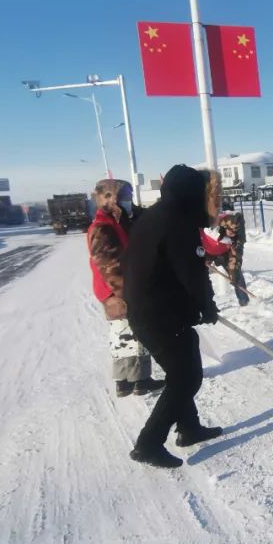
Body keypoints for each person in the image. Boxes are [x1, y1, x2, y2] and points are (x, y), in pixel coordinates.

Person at [122, 165, 223, 468]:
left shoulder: (153, 217)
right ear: (191, 194)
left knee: (185, 362)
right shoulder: (177, 223)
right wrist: (207, 306)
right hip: (159, 315)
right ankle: (148, 443)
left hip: (149, 311)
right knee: (185, 378)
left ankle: (189, 428)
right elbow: (191, 273)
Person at [86, 179, 165, 398]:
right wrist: (128, 294)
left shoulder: (116, 221)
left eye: (130, 198)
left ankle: (124, 382)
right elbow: (109, 266)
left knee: (120, 335)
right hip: (119, 290)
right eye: (125, 198)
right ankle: (140, 381)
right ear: (110, 199)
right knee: (134, 335)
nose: (129, 202)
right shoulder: (103, 227)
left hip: (115, 291)